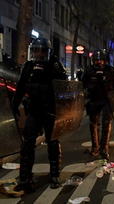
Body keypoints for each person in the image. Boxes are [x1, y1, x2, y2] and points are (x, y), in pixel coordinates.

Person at [12, 38, 67, 192]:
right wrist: (14, 105)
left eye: (42, 51)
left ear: (47, 52)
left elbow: (64, 86)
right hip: (34, 111)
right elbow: (21, 87)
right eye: (36, 50)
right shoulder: (28, 67)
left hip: (50, 111)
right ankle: (25, 178)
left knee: (53, 142)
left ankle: (55, 175)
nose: (39, 54)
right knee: (27, 144)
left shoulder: (54, 66)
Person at [82, 49, 114, 160]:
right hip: (94, 100)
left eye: (101, 60)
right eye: (97, 60)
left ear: (105, 61)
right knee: (93, 124)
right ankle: (95, 147)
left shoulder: (110, 71)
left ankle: (104, 148)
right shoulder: (89, 70)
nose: (99, 62)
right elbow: (82, 84)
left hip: (107, 100)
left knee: (106, 123)